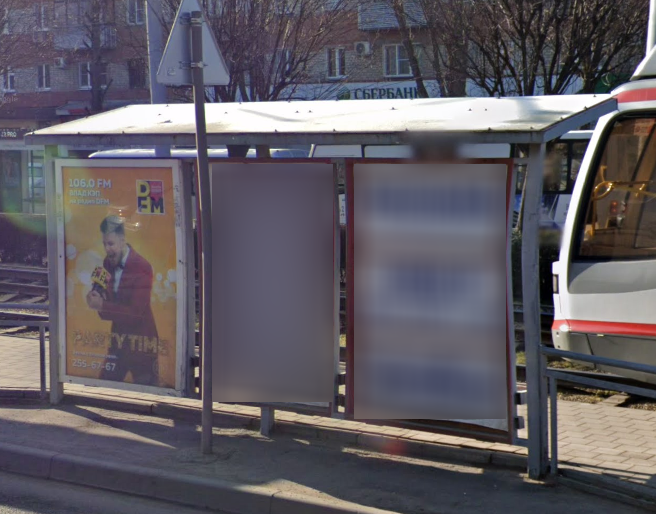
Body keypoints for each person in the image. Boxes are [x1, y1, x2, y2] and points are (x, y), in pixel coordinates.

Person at [86, 215, 159, 386]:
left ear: (123, 240)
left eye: (111, 244)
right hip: (118, 340)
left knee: (146, 389)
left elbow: (135, 313)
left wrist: (103, 305)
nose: (107, 249)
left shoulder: (142, 267)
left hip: (142, 344)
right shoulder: (108, 262)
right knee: (104, 386)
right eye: (104, 244)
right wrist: (97, 295)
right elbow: (109, 297)